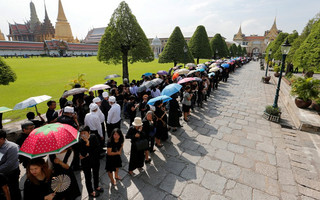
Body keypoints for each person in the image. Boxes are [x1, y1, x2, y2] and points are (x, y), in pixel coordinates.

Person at [79, 126, 102, 197]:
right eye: (81, 134)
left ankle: (96, 186)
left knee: (96, 174)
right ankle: (90, 191)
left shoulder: (93, 137)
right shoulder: (80, 141)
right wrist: (87, 144)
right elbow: (82, 154)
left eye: (84, 133)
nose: (83, 135)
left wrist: (88, 147)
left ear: (89, 132)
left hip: (95, 160)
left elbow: (98, 149)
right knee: (88, 177)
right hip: (86, 163)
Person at [0, 129, 21, 200]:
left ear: (2, 139)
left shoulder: (12, 147)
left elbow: (9, 164)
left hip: (11, 174)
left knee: (14, 192)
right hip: (1, 175)